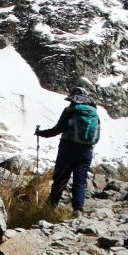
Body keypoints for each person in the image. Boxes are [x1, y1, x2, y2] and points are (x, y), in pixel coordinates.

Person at [35, 87, 101, 215]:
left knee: (60, 179)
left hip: (68, 148)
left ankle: (50, 208)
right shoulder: (94, 112)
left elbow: (57, 129)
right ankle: (78, 209)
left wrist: (40, 133)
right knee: (79, 181)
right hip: (86, 151)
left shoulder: (70, 110)